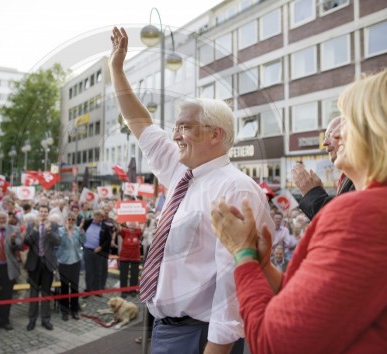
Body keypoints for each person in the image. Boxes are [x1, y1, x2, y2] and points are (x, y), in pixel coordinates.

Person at [109, 27, 273, 354]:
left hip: (201, 337)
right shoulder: (183, 170)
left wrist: (216, 348)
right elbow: (139, 122)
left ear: (215, 135)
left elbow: (234, 282)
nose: (176, 135)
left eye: (185, 127)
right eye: (176, 127)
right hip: (167, 329)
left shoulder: (234, 188)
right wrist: (117, 69)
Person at [210, 70, 387, 353]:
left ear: (378, 129)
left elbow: (275, 342)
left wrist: (242, 254)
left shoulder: (365, 214)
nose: (334, 136)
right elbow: (315, 304)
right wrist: (263, 265)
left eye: (349, 121)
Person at [292, 117, 355, 220]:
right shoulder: (349, 177)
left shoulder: (366, 176)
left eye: (330, 135)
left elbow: (341, 220)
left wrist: (313, 194)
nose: (324, 143)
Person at [25, 204, 60, 331]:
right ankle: (32, 320)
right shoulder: (30, 225)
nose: (43, 213)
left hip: (48, 264)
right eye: (41, 211)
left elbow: (57, 242)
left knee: (46, 293)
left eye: (46, 211)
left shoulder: (54, 225)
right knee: (33, 293)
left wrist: (49, 231)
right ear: (38, 212)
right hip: (34, 263)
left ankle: (46, 320)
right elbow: (27, 242)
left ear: (48, 213)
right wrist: (35, 228)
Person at [56, 213, 85, 321]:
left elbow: (83, 241)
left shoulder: (78, 230)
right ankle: (64, 311)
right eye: (69, 219)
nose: (71, 221)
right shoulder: (60, 231)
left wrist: (81, 232)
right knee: (64, 287)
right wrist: (66, 230)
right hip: (64, 261)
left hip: (76, 261)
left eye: (73, 219)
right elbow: (60, 243)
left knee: (74, 287)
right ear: (65, 220)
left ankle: (74, 310)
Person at [82, 210, 112, 294]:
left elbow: (108, 240)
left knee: (98, 271)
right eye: (95, 217)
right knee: (88, 271)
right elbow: (80, 231)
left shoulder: (105, 227)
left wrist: (101, 247)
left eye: (99, 217)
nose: (97, 219)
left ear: (102, 218)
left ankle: (97, 289)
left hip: (98, 251)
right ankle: (88, 289)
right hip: (87, 250)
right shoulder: (87, 223)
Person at [116, 222, 143, 298]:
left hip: (135, 257)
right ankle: (123, 291)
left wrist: (143, 220)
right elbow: (119, 227)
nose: (132, 225)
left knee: (134, 275)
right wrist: (118, 220)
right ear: (127, 225)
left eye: (134, 224)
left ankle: (133, 290)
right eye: (130, 223)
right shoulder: (124, 231)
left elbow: (142, 228)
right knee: (123, 275)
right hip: (124, 256)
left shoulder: (138, 231)